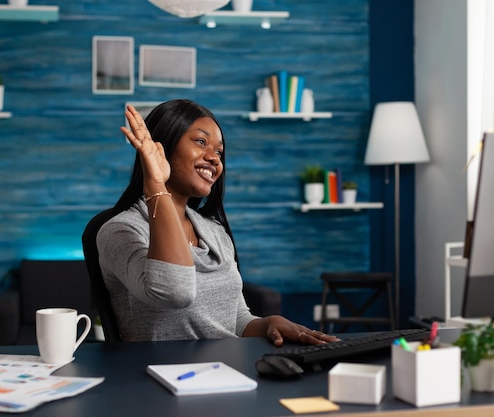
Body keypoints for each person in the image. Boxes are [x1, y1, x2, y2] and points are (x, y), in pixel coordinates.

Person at [97, 99, 338, 346]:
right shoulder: (120, 231)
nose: (214, 159)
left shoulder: (214, 231)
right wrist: (156, 186)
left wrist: (267, 323)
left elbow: (235, 319)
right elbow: (174, 292)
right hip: (160, 376)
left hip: (227, 370)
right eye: (201, 142)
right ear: (163, 147)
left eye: (220, 152)